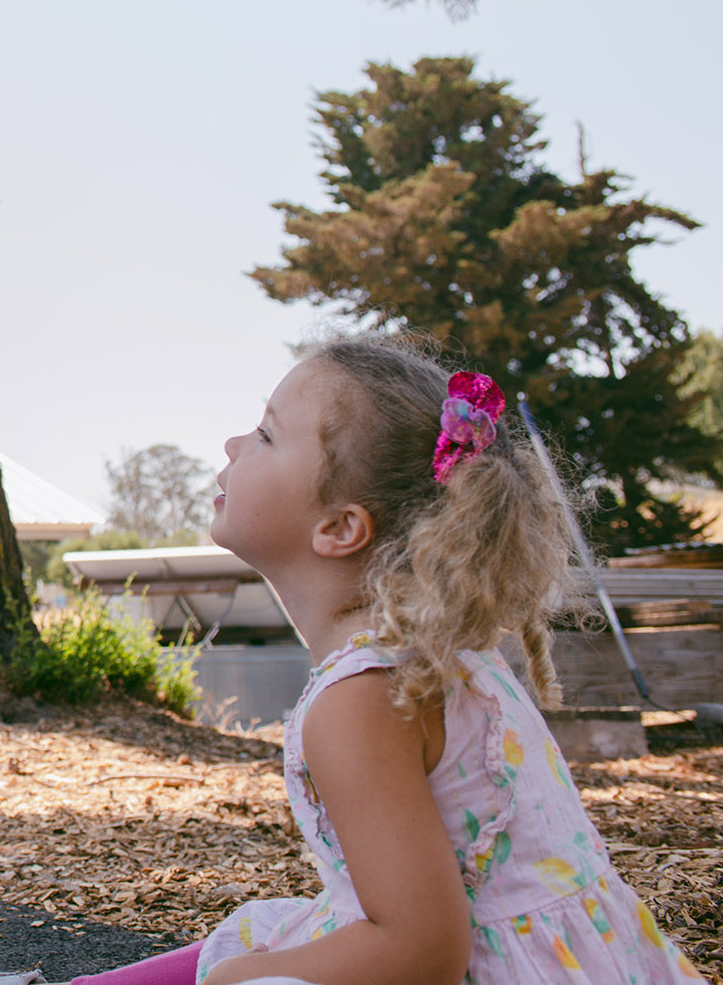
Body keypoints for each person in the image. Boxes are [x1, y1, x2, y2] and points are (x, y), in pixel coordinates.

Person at [61, 336, 702, 985]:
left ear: (340, 527)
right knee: (269, 936)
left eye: (265, 434)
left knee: (250, 971)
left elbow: (421, 952)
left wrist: (233, 980)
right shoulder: (434, 660)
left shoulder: (361, 700)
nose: (232, 444)